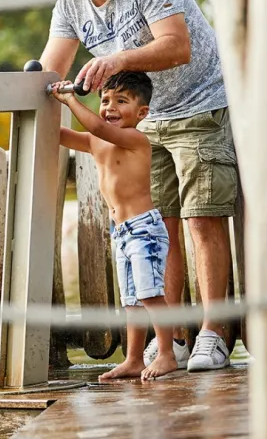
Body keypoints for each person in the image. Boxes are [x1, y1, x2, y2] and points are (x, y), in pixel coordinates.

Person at [34, 0, 236, 372]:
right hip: (142, 125)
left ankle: (212, 334)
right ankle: (176, 339)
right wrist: (11, 93)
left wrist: (117, 59)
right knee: (160, 229)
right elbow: (50, 70)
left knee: (201, 220)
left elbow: (177, 45)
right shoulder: (68, 5)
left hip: (198, 105)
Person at [50, 71, 176, 380]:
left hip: (144, 229)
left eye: (121, 101)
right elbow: (58, 134)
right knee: (131, 301)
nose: (110, 108)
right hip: (121, 233)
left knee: (150, 295)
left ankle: (167, 354)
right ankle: (134, 359)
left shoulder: (136, 139)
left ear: (141, 112)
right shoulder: (96, 141)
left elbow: (94, 125)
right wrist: (40, 105)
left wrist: (69, 99)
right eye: (105, 100)